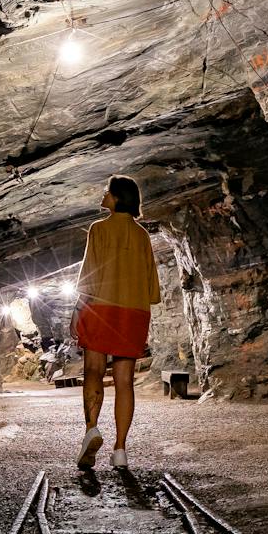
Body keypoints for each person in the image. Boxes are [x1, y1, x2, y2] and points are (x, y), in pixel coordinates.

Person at [72, 174, 161, 470]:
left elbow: (89, 274)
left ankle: (92, 429)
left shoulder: (99, 229)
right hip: (134, 312)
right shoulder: (142, 236)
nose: (103, 194)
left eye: (107, 191)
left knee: (94, 370)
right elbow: (151, 286)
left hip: (101, 308)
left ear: (117, 197)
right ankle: (120, 449)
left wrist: (77, 311)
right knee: (125, 382)